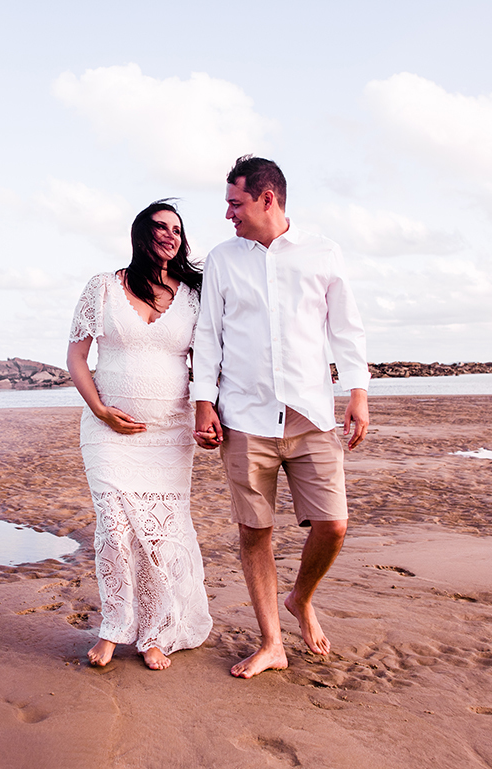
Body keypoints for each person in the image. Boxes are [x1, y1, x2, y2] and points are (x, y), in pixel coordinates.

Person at [191, 156, 370, 679]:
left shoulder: (323, 252)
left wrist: (358, 393)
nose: (228, 214)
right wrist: (205, 403)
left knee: (333, 525)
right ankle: (272, 642)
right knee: (255, 531)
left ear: (267, 199)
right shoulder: (222, 259)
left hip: (311, 414)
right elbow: (209, 335)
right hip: (244, 417)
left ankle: (302, 598)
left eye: (235, 203)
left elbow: (347, 329)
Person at [67, 200, 213, 671]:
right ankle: (114, 627)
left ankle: (155, 633)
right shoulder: (103, 288)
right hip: (107, 432)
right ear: (140, 234)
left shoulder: (195, 293)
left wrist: (210, 414)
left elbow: (207, 361)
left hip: (170, 434)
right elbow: (75, 358)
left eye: (178, 229)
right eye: (161, 228)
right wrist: (101, 410)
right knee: (114, 528)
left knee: (160, 536)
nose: (171, 236)